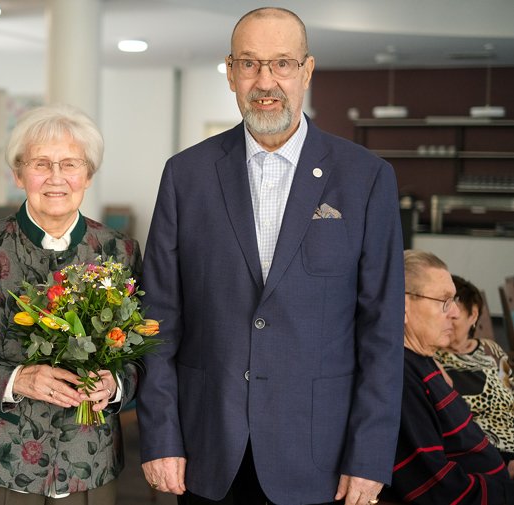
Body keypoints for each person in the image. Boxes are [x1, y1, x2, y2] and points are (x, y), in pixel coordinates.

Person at [138, 7, 405, 505]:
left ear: (306, 70)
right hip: (207, 449)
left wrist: (369, 454)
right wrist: (160, 437)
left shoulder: (365, 177)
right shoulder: (185, 174)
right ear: (231, 72)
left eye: (282, 63)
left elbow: (382, 332)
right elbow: (157, 321)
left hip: (321, 456)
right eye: (249, 64)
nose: (266, 80)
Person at [0, 104, 140, 504]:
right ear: (18, 173)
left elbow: (140, 353)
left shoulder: (120, 251)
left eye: (70, 164)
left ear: (88, 174)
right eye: (40, 164)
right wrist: (17, 380)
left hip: (90, 464)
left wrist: (115, 385)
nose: (56, 178)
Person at [380, 250, 514, 502]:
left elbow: (459, 446)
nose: (454, 313)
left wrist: (506, 464)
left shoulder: (423, 361)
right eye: (444, 301)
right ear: (403, 305)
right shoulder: (401, 380)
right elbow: (438, 490)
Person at [436, 275, 514, 462]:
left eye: (455, 314)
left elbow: (511, 389)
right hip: (485, 451)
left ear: (473, 315)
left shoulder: (490, 348)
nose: (447, 319)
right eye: (444, 311)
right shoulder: (433, 357)